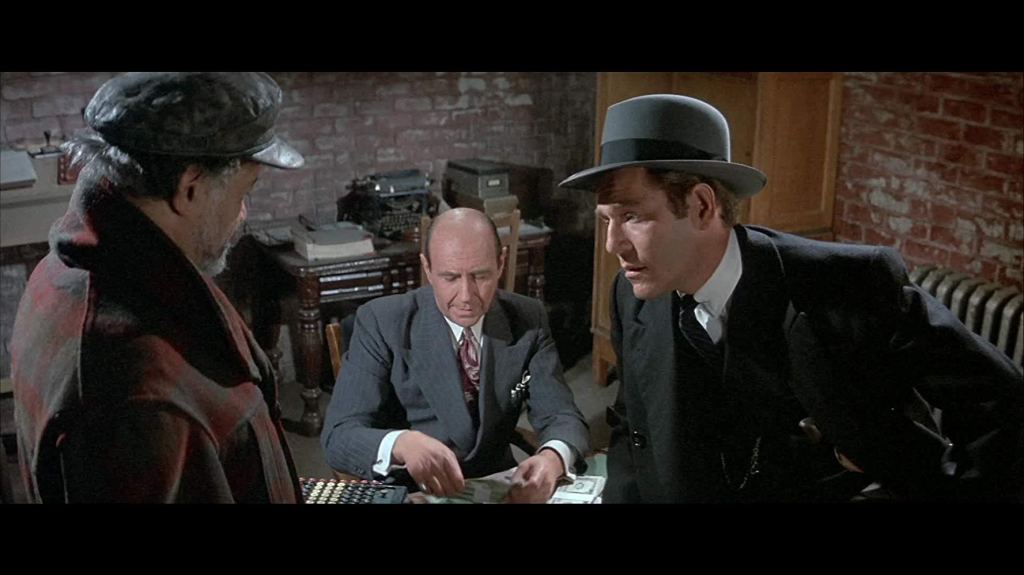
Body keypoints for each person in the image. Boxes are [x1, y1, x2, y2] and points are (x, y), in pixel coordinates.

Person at [560, 94, 1023, 503]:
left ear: (701, 205)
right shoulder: (633, 295)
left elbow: (1001, 405)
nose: (613, 245)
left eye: (633, 216)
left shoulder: (849, 285)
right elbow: (632, 429)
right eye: (607, 220)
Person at [11, 72, 306, 502]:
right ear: (190, 188)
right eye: (246, 190)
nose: (243, 212)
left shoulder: (71, 269)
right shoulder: (138, 391)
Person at [321, 207, 589, 503]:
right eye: (450, 277)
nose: (466, 296)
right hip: (411, 491)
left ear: (500, 263)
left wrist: (553, 457)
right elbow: (338, 436)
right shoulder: (382, 322)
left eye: (480, 276)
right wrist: (401, 443)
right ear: (427, 268)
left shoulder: (528, 318)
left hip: (499, 486)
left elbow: (561, 414)